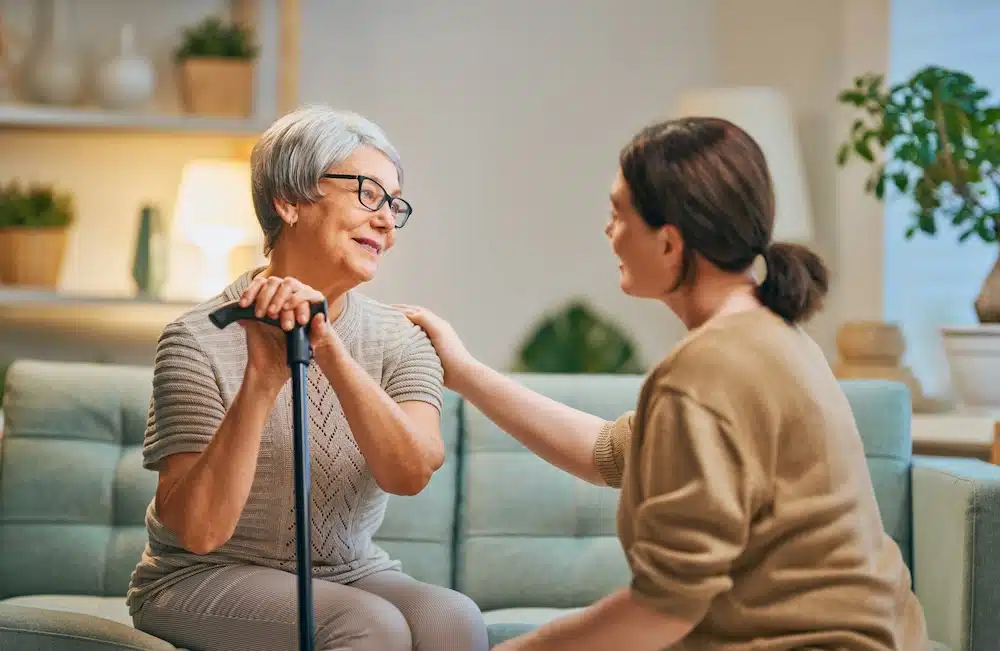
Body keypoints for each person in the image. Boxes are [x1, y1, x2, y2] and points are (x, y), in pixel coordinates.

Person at [396, 116, 932, 651]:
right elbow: (607, 451)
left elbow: (663, 609)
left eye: (617, 214)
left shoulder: (707, 369)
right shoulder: (773, 338)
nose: (609, 231)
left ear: (670, 243)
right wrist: (463, 370)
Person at [126, 105, 489, 651]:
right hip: (202, 576)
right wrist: (262, 378)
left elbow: (410, 472)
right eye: (367, 193)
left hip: (348, 570)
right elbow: (200, 532)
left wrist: (328, 346)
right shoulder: (196, 338)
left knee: (453, 619)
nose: (387, 220)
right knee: (370, 625)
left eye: (394, 204)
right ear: (288, 200)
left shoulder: (402, 337)